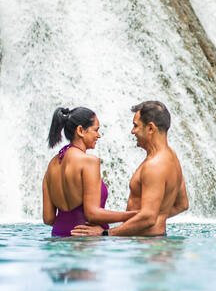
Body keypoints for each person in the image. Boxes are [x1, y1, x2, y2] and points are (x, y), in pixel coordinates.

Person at [78, 100, 188, 237]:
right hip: (156, 240)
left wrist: (106, 233)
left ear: (150, 128)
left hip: (146, 244)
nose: (132, 131)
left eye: (136, 126)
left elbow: (148, 217)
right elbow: (182, 204)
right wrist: (159, 217)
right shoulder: (172, 158)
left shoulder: (154, 166)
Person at [42, 106, 135, 237]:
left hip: (57, 238)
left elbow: (48, 218)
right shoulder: (89, 161)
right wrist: (134, 215)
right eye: (96, 130)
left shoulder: (52, 164)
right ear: (80, 130)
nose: (99, 135)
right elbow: (92, 214)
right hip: (85, 242)